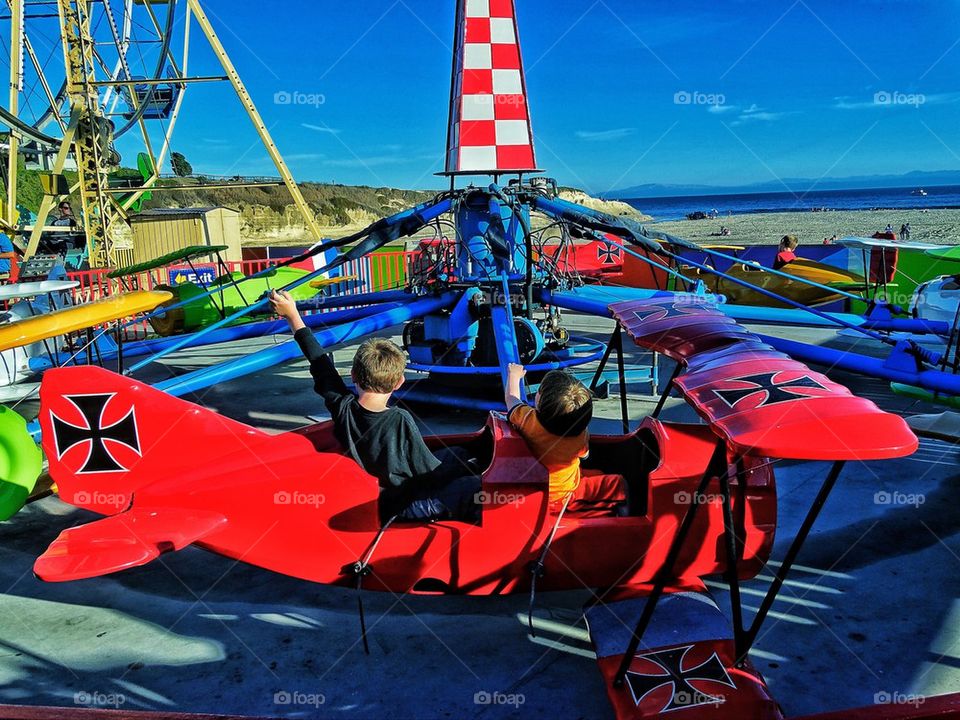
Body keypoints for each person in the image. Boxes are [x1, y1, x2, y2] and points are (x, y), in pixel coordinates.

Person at [269, 289, 481, 523]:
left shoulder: (343, 407)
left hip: (377, 494)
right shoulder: (400, 419)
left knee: (460, 454)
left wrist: (293, 316)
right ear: (400, 382)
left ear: (353, 376)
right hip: (402, 505)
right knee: (472, 485)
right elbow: (428, 473)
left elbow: (319, 363)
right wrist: (471, 468)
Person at [504, 363, 626, 517]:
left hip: (537, 492)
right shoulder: (580, 435)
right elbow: (585, 455)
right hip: (564, 493)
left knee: (596, 473)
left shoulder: (527, 419)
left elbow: (511, 399)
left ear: (540, 403)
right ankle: (620, 511)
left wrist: (514, 376)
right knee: (618, 483)